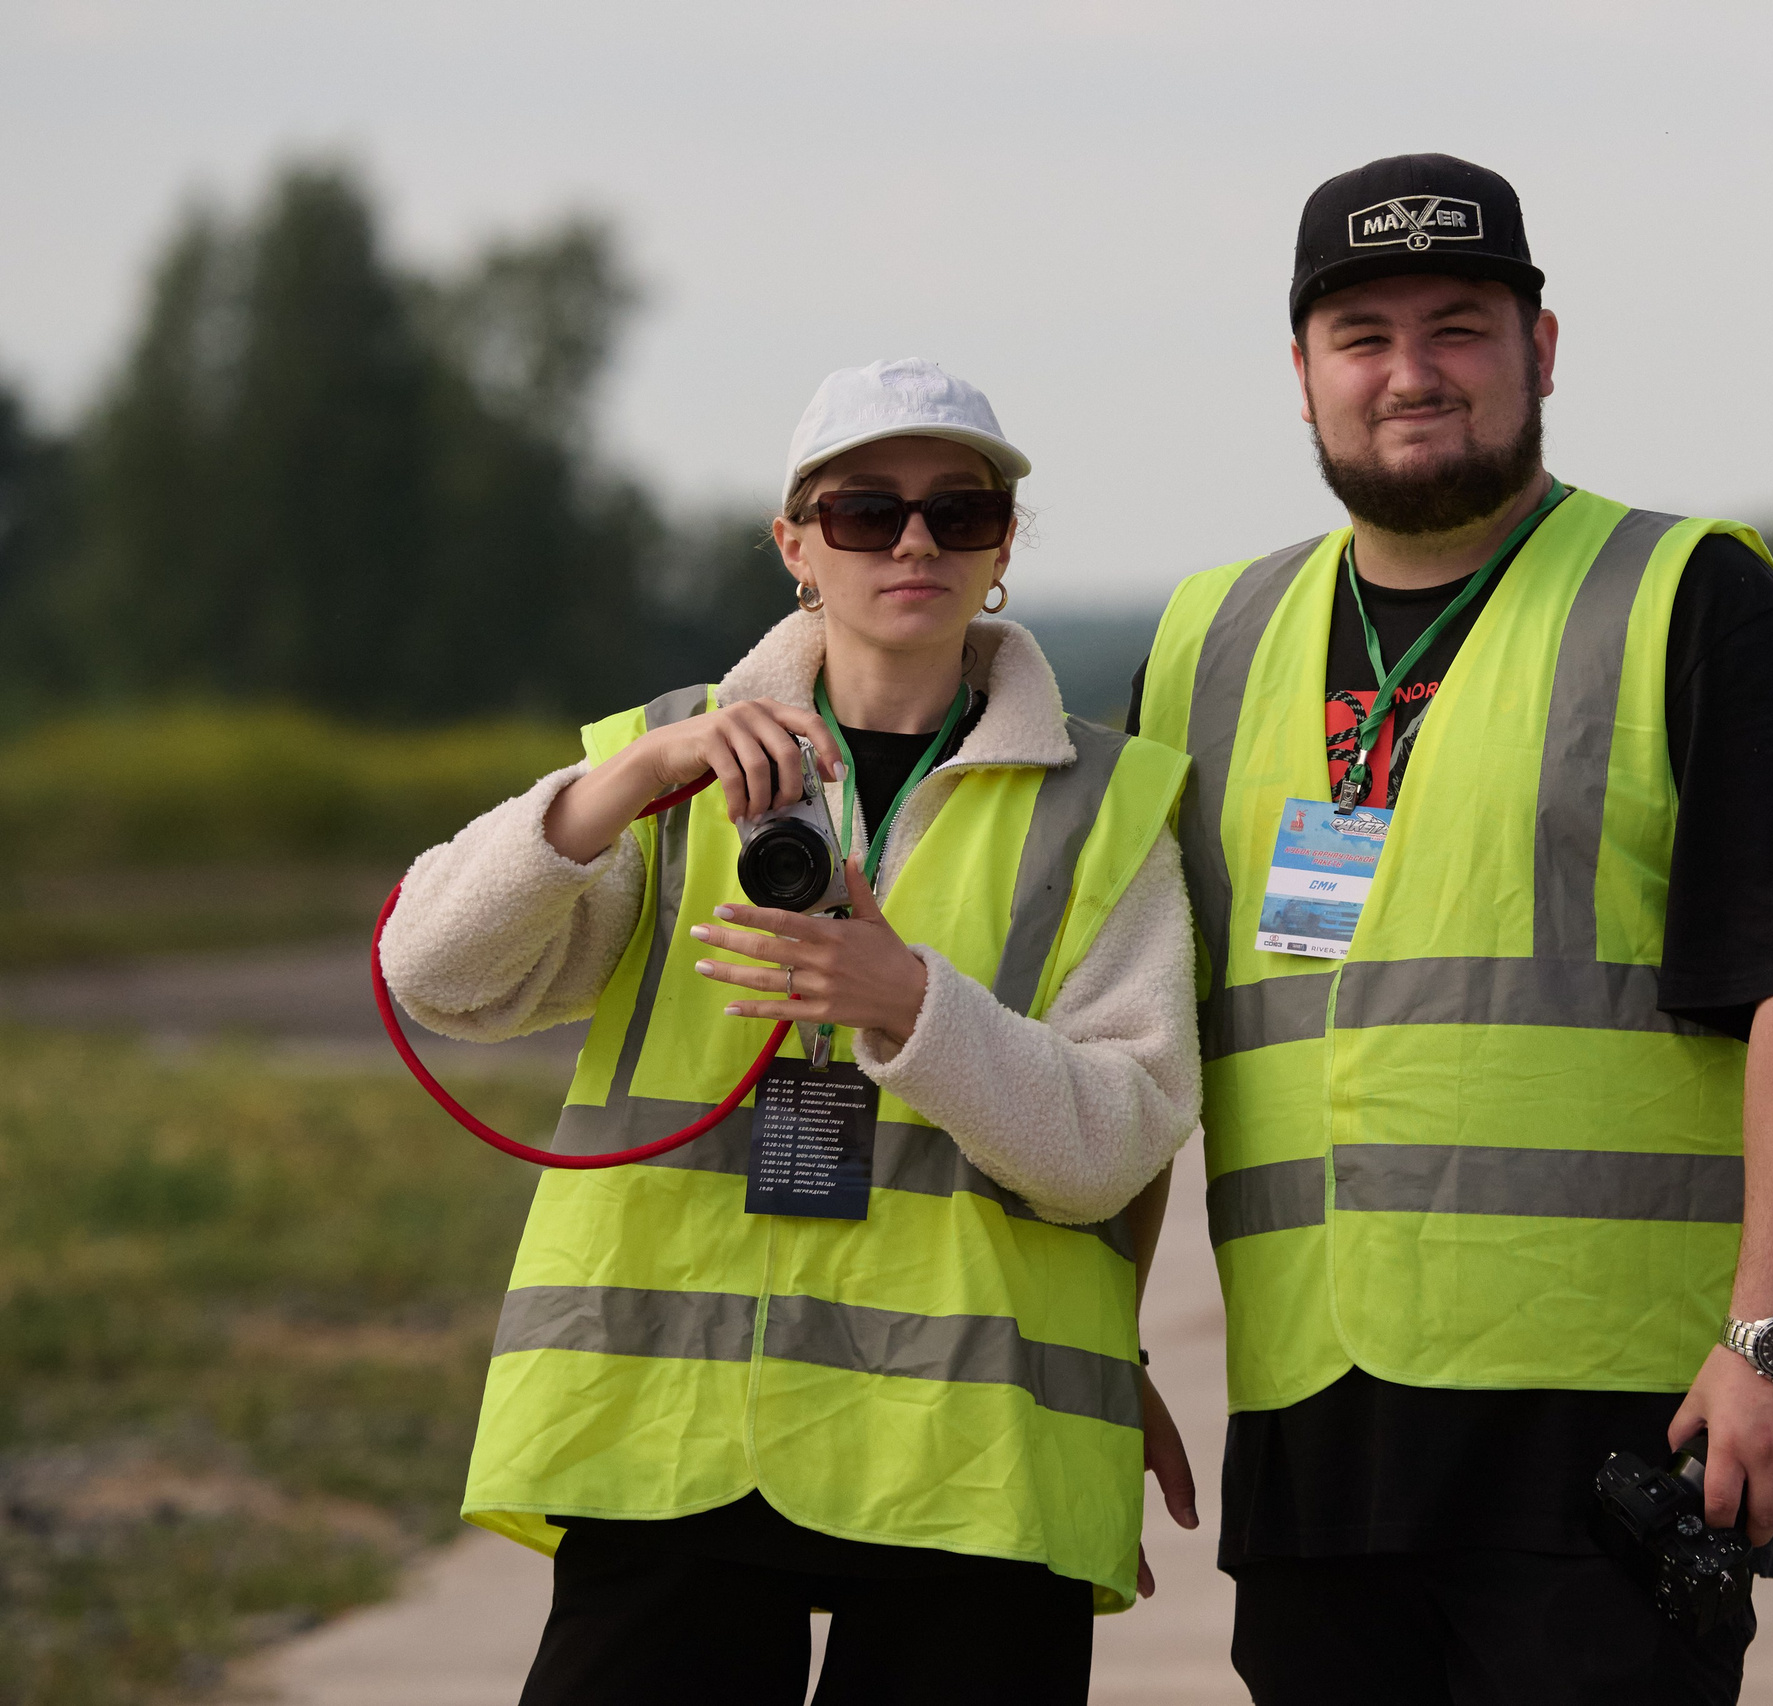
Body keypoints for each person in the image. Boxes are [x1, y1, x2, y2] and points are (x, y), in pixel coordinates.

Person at [1124, 155, 1773, 1704]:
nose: (1410, 374)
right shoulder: (1204, 641)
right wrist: (1109, 1342)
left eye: (1458, 327)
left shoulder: (1696, 602)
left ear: (1541, 350)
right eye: (1362, 335)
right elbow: (1143, 1033)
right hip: (1313, 1420)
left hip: (1610, 1415)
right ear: (1302, 376)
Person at [381, 358, 1201, 1706]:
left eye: (963, 509)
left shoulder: (1106, 809)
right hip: (671, 1434)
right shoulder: (660, 764)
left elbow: (1115, 1141)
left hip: (968, 1455)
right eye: (869, 510)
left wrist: (909, 1006)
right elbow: (435, 970)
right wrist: (622, 785)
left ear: (1003, 547)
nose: (918, 539)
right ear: (796, 544)